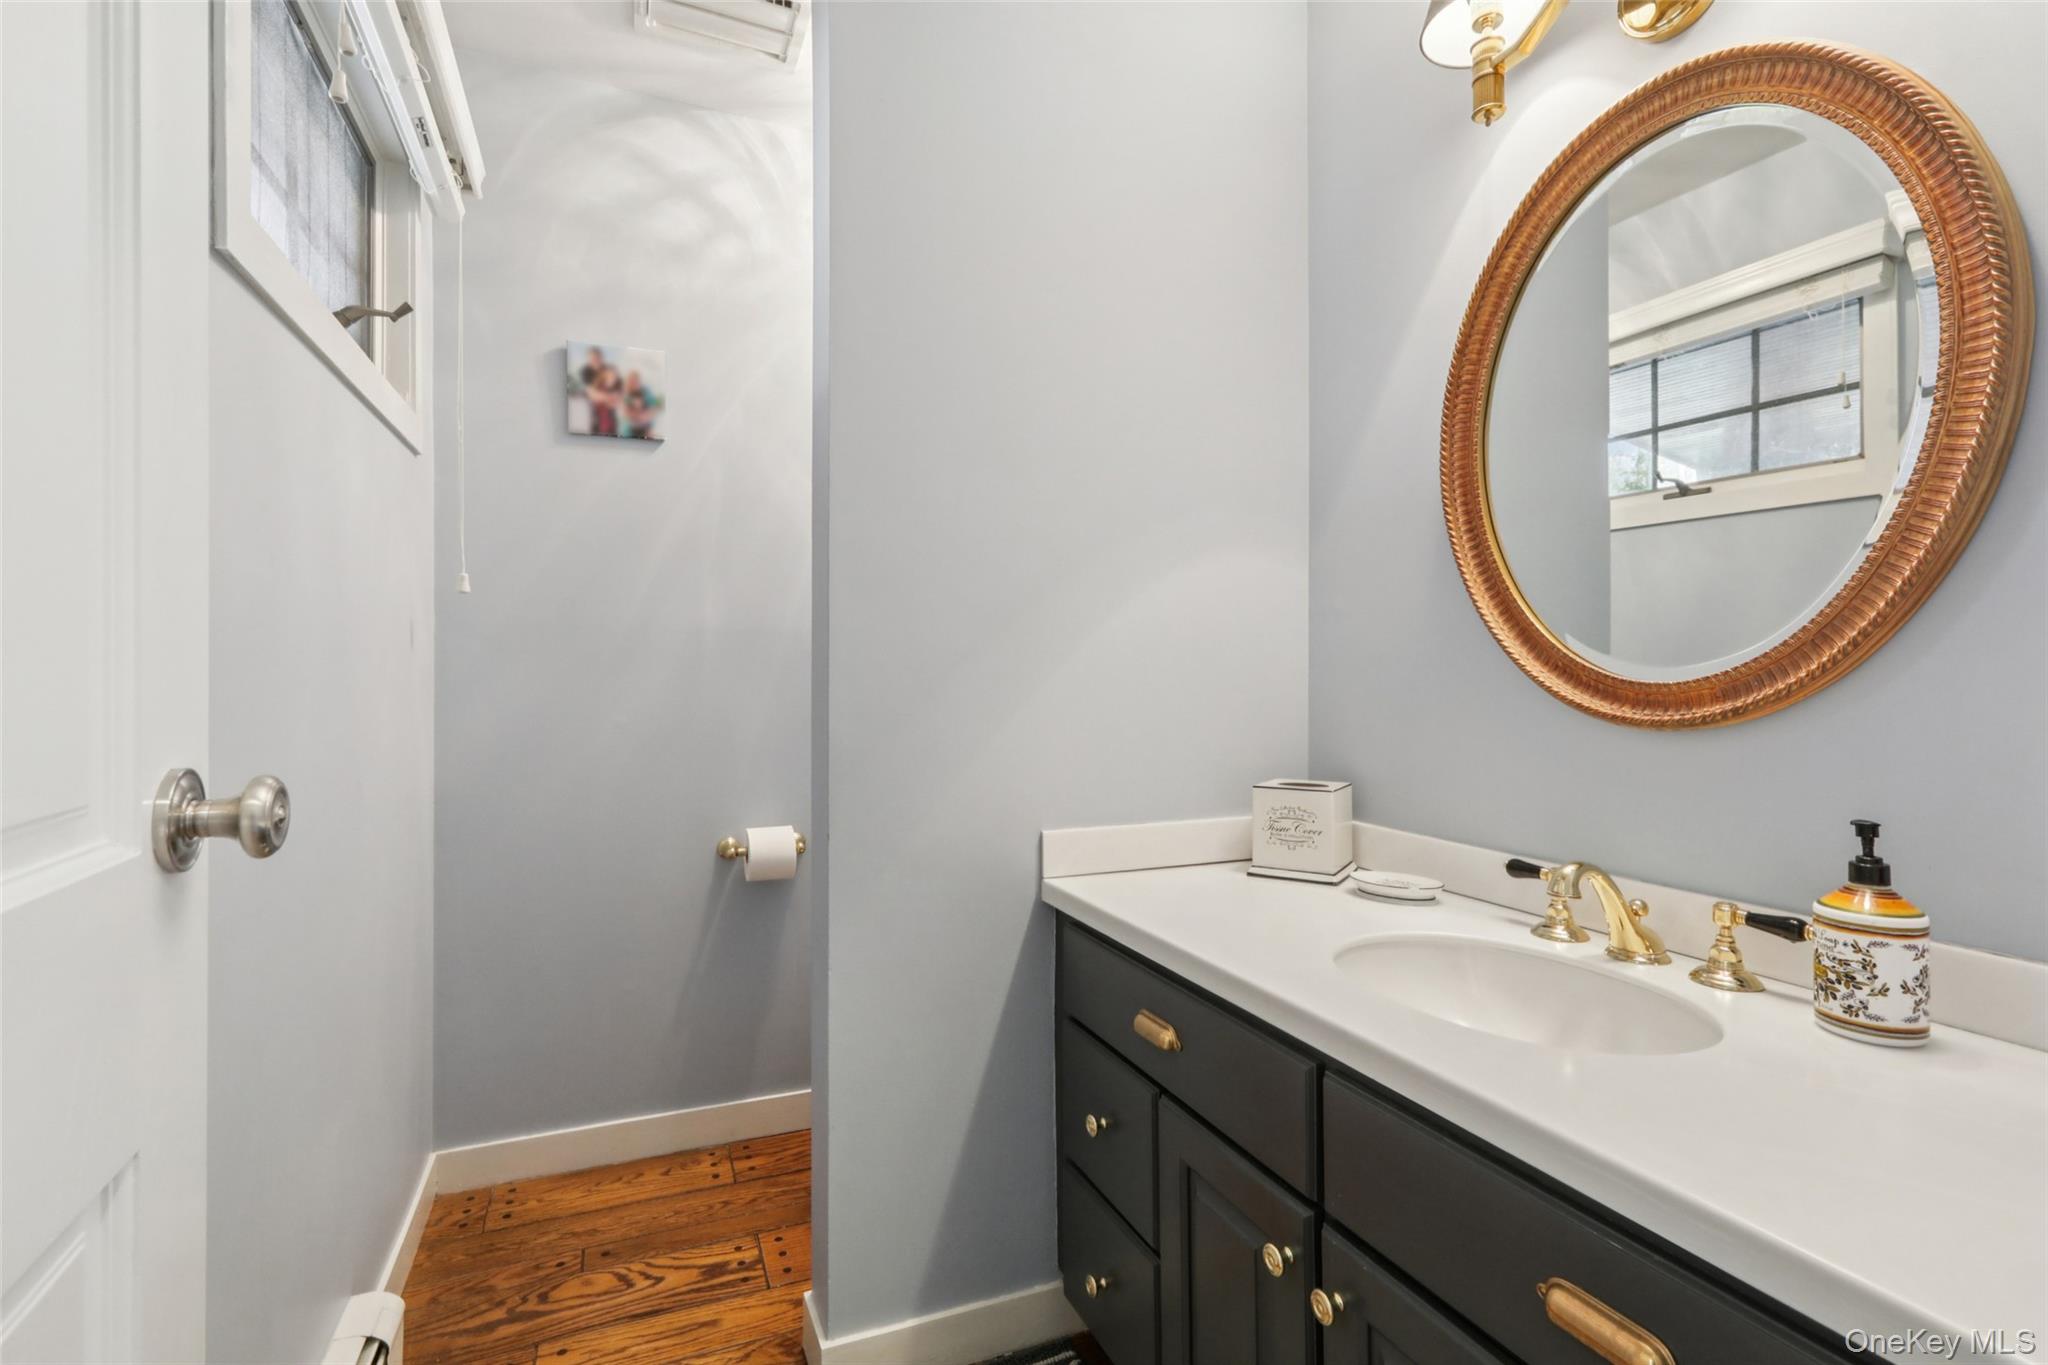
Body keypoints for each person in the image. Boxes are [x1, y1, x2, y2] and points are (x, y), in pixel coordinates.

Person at [624, 370, 663, 440]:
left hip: (646, 427)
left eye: (636, 381)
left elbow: (657, 405)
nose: (634, 383)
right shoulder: (626, 396)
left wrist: (648, 415)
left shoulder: (646, 392)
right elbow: (626, 413)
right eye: (631, 381)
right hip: (632, 429)